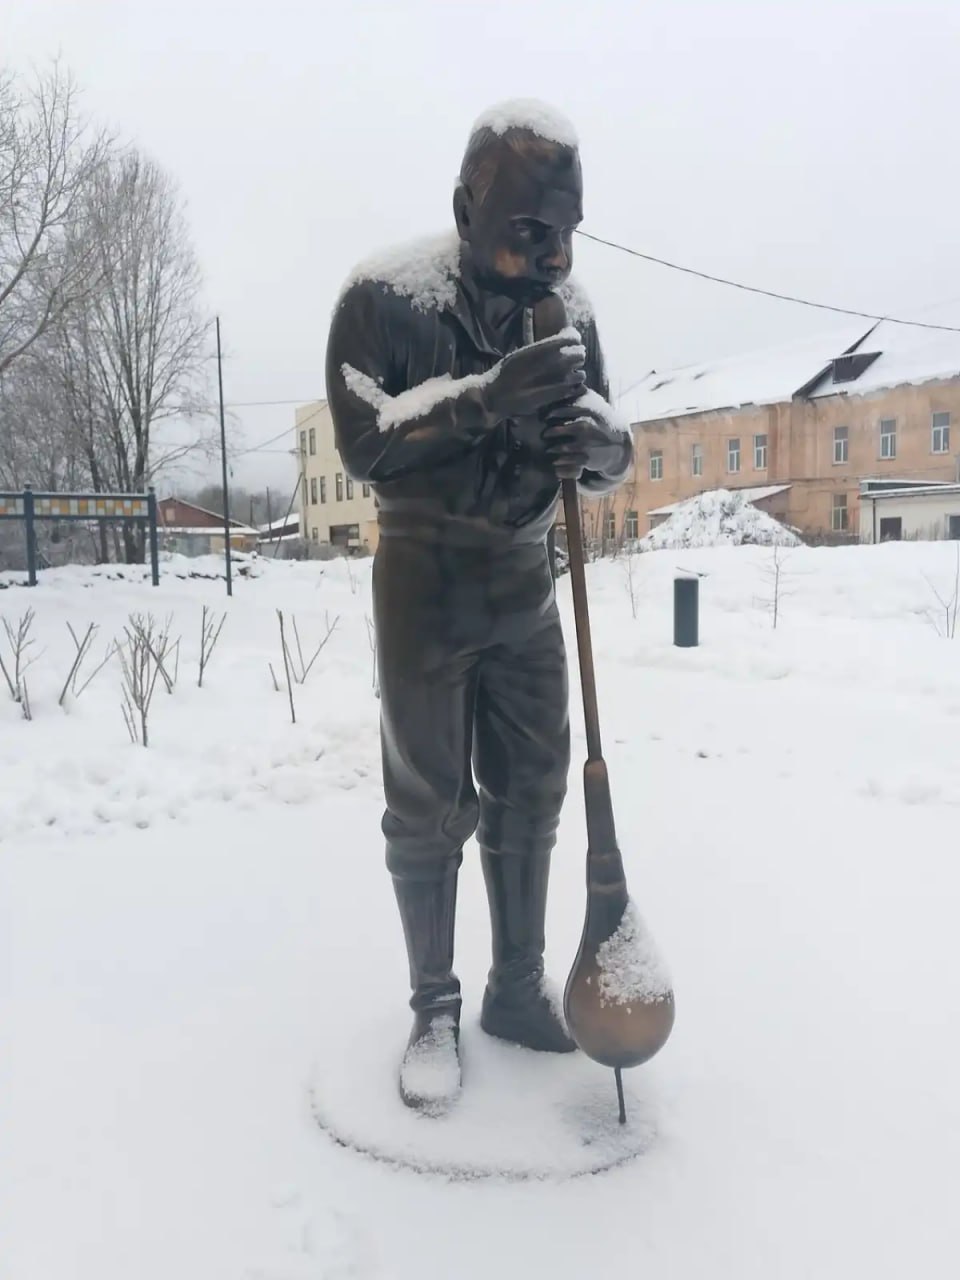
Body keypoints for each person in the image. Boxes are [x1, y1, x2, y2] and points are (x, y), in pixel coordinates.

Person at [325, 99, 632, 1112]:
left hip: (522, 579)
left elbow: (610, 446)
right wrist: (486, 397)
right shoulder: (384, 301)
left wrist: (600, 452)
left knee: (535, 784)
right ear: (467, 209)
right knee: (427, 799)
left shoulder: (571, 313)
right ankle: (435, 1004)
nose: (553, 254)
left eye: (568, 231)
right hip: (424, 579)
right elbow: (368, 444)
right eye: (529, 231)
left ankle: (512, 986)